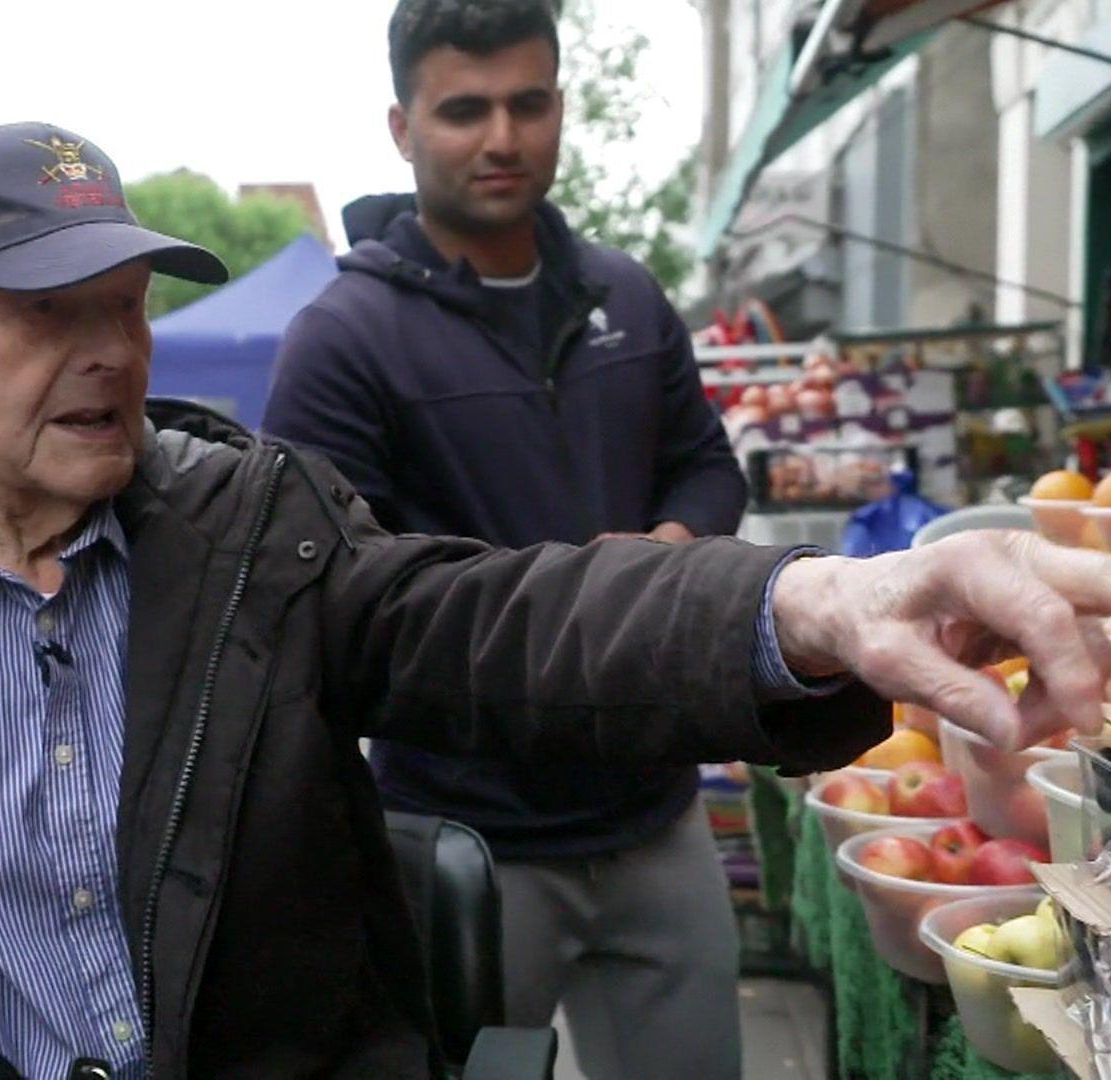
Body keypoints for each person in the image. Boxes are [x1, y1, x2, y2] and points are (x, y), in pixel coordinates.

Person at [0, 120, 1111, 1080]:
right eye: (46, 314)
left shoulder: (254, 538)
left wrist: (817, 607)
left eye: (129, 302)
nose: (113, 352)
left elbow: (507, 621)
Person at [261, 3, 748, 1072]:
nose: (502, 137)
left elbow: (708, 465)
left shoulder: (628, 296)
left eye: (528, 103)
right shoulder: (345, 341)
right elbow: (328, 596)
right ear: (402, 127)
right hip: (466, 841)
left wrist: (667, 553)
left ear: (561, 107)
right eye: (464, 109)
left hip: (657, 817)